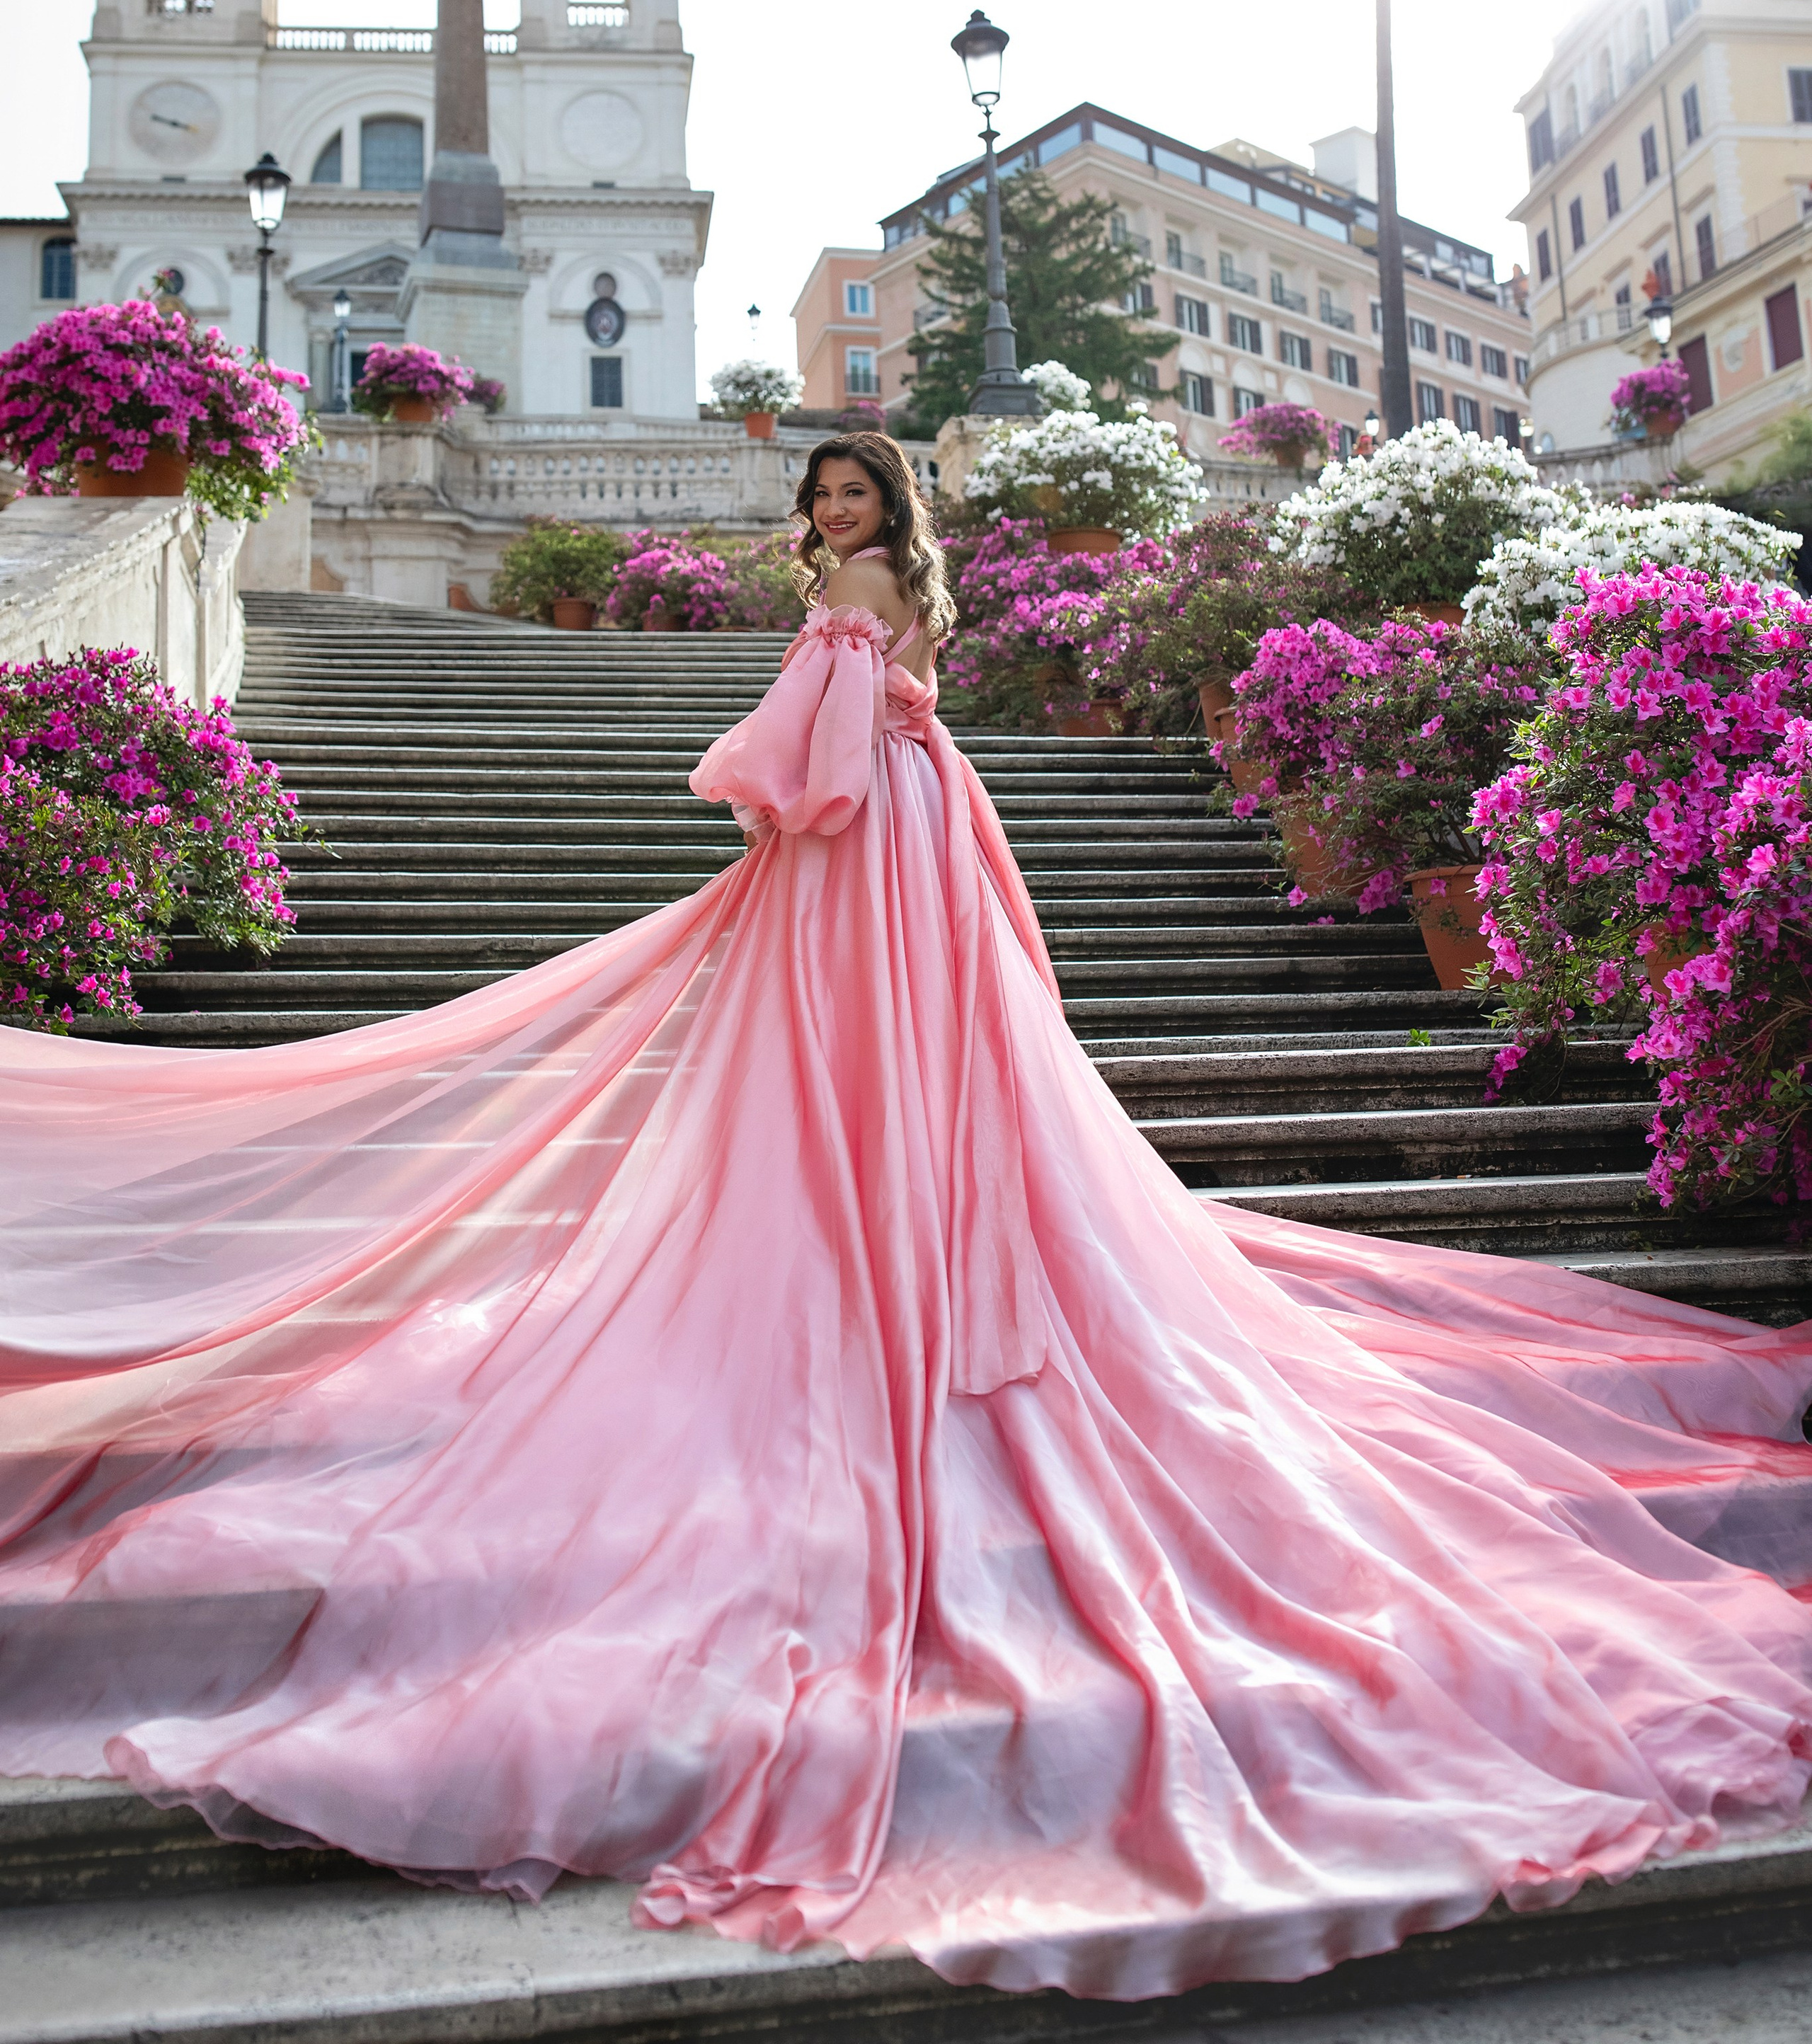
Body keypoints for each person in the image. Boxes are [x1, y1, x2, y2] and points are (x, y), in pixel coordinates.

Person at [0, 429, 1806, 2007]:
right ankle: (904, 1246)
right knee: (890, 1072)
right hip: (911, 840)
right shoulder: (885, 594)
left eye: (857, 490)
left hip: (868, 846)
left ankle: (881, 1260)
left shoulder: (857, 590)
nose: (840, 511)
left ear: (885, 511)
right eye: (826, 492)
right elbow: (870, 731)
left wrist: (755, 779)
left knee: (846, 1066)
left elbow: (816, 757)